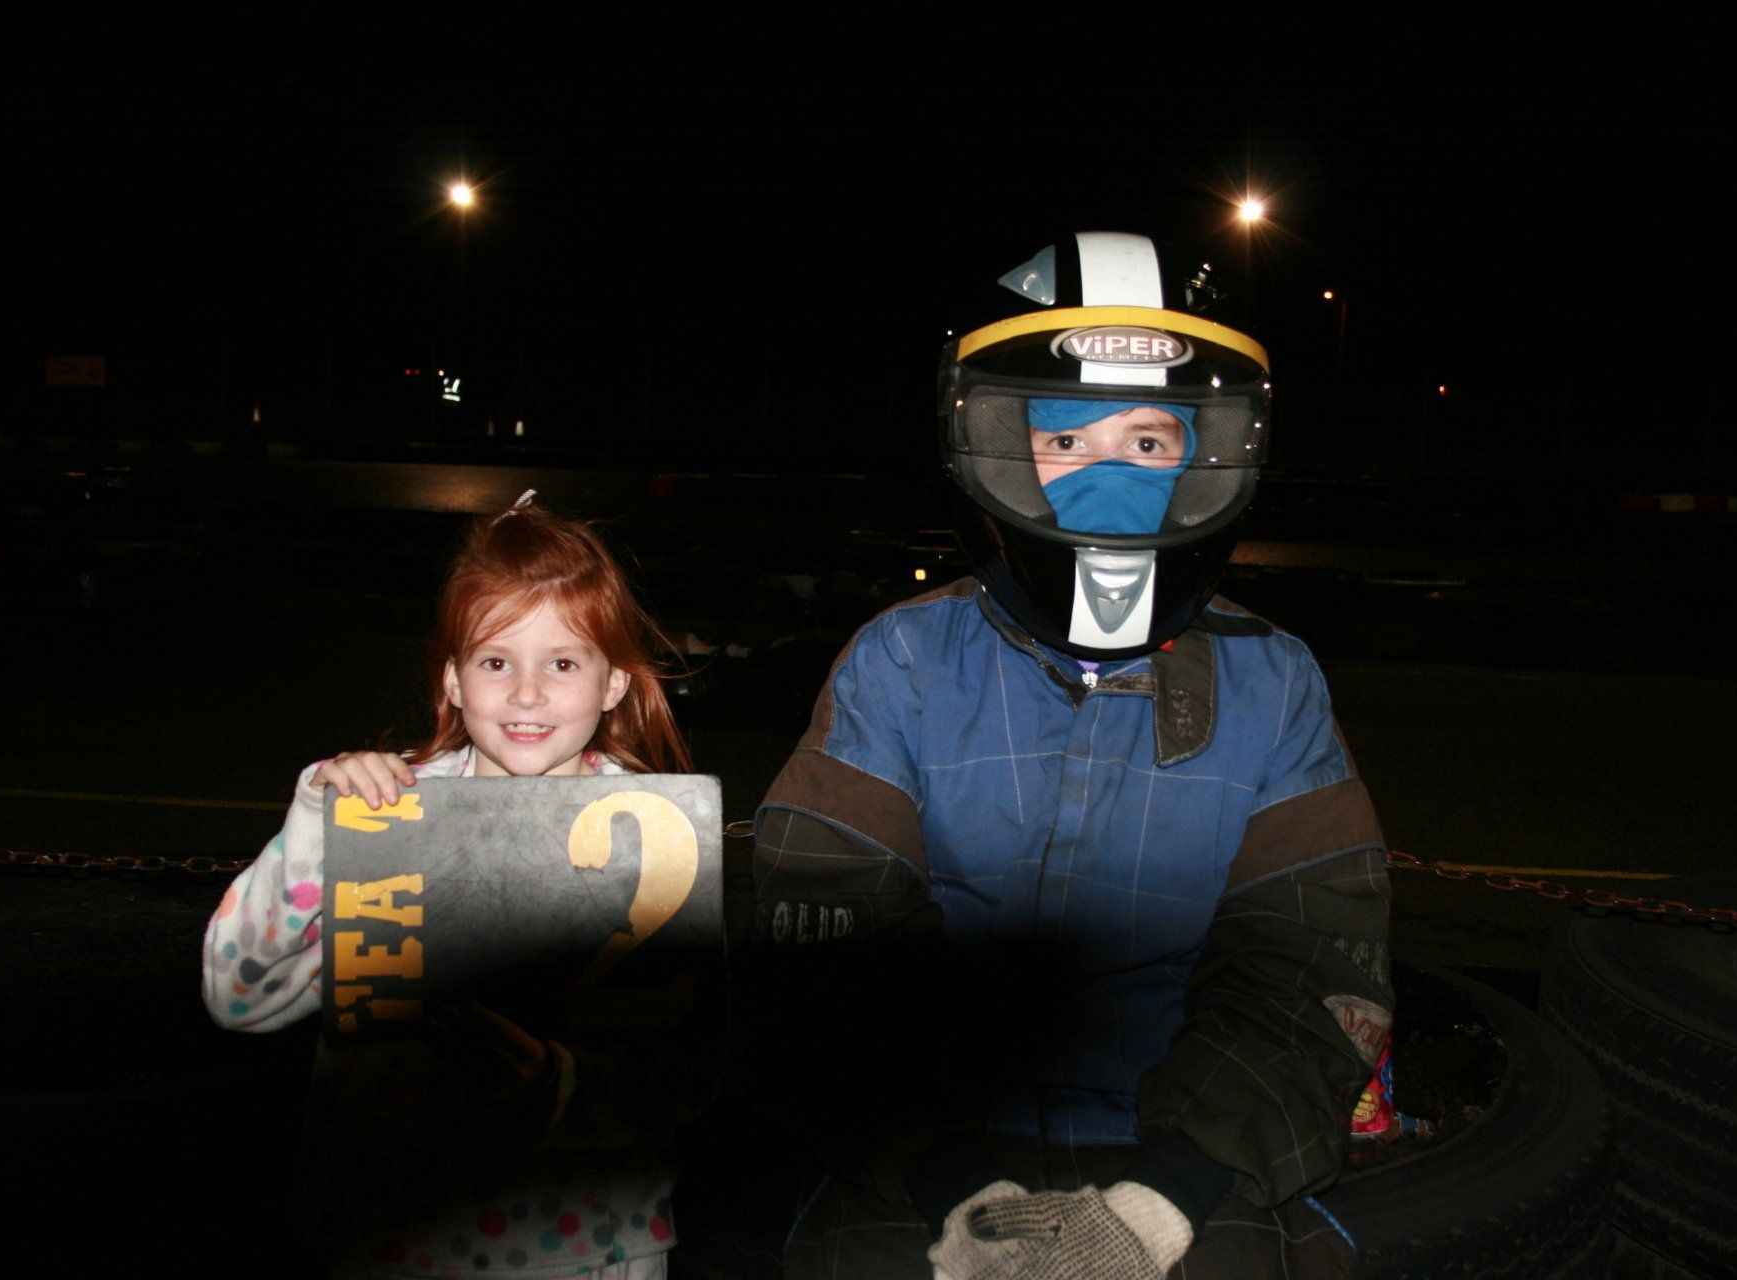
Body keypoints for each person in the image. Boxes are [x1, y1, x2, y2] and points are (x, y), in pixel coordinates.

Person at [750, 233, 1392, 1279]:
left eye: (1148, 440)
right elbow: (828, 946)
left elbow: (1309, 968)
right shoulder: (901, 662)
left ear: (1201, 460)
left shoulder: (1274, 684)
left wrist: (1157, 1205)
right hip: (925, 1157)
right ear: (1002, 448)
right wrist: (954, 1184)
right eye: (1066, 439)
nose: (1110, 474)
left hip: (1183, 1156)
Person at [203, 493, 701, 1279]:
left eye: (562, 662)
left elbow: (690, 1073)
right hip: (396, 1233)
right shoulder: (388, 821)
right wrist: (318, 825)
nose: (527, 693)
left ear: (612, 684)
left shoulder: (656, 842)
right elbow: (240, 998)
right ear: (455, 680)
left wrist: (554, 1081)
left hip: (587, 1244)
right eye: (496, 661)